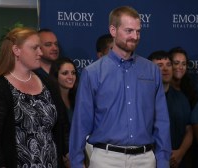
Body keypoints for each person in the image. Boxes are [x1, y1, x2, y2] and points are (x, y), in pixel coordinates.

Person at [69, 6, 171, 168]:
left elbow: (161, 121)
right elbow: (81, 122)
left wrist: (163, 160)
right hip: (106, 159)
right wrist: (76, 162)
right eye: (129, 31)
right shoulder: (93, 72)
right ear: (113, 30)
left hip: (145, 159)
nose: (135, 36)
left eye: (138, 31)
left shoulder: (152, 70)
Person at [0, 27, 69, 168]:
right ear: (16, 50)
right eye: (34, 48)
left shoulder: (49, 84)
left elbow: (62, 126)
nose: (40, 52)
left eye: (40, 47)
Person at [148, 50, 193, 168]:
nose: (165, 69)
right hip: (148, 159)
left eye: (168, 65)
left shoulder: (181, 98)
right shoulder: (141, 98)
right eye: (159, 65)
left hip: (177, 160)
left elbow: (189, 129)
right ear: (149, 70)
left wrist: (180, 153)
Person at [49, 56, 78, 123]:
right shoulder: (50, 101)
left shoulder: (77, 99)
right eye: (65, 73)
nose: (70, 77)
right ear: (56, 76)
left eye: (73, 73)